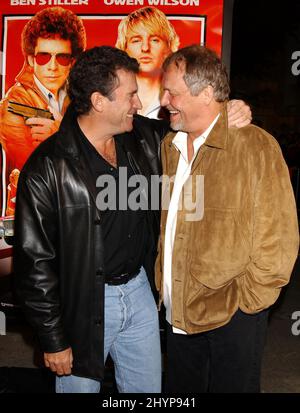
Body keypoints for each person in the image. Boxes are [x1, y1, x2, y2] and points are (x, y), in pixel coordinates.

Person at [14, 45, 251, 393]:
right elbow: (34, 264)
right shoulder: (47, 168)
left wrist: (229, 108)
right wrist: (52, 339)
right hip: (84, 304)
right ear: (99, 102)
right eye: (131, 96)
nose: (139, 104)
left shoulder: (142, 137)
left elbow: (196, 122)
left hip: (139, 293)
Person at [155, 45, 299, 393]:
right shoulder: (168, 147)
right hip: (177, 312)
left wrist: (247, 304)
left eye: (171, 92)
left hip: (232, 315)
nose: (162, 100)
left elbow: (278, 240)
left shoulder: (255, 147)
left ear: (206, 93)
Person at [0, 7, 86, 172]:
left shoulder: (81, 96)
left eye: (62, 58)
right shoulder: (13, 105)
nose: (52, 67)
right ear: (31, 60)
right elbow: (36, 171)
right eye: (43, 57)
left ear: (72, 62)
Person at [116, 6, 179, 119]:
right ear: (124, 48)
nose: (145, 48)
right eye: (136, 40)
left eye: (155, 40)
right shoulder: (110, 98)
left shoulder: (181, 100)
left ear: (169, 47)